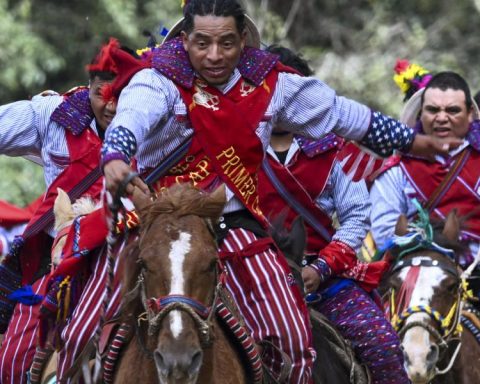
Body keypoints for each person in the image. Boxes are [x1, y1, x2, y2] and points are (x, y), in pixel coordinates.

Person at [101, 1, 460, 381]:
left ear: (242, 40)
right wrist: (116, 153)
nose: (214, 55)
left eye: (226, 43)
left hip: (235, 228)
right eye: (202, 43)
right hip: (163, 226)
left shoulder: (269, 86)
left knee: (291, 336)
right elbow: (133, 117)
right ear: (185, 40)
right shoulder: (157, 81)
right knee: (86, 329)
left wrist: (408, 140)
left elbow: (341, 113)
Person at [257, 44, 410, 384]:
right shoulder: (235, 148)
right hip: (253, 278)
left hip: (324, 278)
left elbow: (356, 217)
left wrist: (320, 268)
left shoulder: (333, 146)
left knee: (383, 348)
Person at [0, 40, 141, 383]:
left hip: (124, 262)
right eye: (100, 93)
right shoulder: (54, 114)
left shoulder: (154, 120)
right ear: (88, 86)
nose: (110, 106)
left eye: (120, 94)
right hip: (56, 263)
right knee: (13, 363)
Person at [370, 66, 480, 294]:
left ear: (469, 113)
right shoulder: (396, 169)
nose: (442, 118)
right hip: (412, 273)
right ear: (421, 113)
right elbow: (384, 232)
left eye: (452, 110)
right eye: (433, 110)